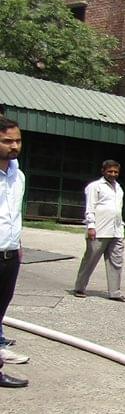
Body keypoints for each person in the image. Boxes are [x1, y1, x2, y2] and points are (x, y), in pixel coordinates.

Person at [73, 160, 125, 302]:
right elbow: (90, 208)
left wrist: (121, 228)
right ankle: (79, 287)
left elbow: (118, 210)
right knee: (90, 259)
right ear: (103, 171)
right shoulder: (95, 186)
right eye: (110, 171)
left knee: (116, 262)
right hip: (99, 230)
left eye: (116, 172)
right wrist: (91, 226)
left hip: (116, 231)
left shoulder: (119, 188)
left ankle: (115, 292)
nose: (113, 174)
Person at [0, 117, 28, 388]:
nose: (14, 146)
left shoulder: (18, 176)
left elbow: (14, 215)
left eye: (17, 140)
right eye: (7, 141)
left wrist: (17, 244)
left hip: (9, 256)